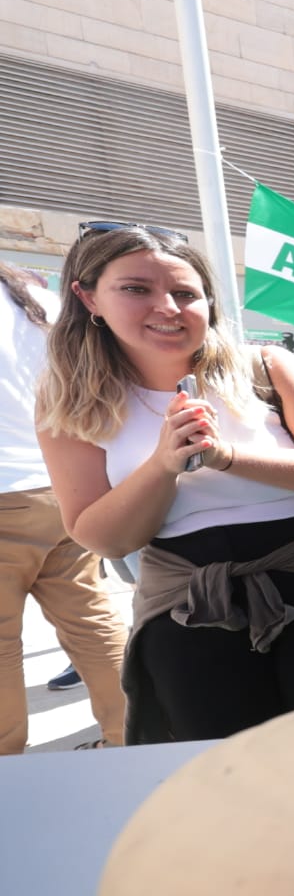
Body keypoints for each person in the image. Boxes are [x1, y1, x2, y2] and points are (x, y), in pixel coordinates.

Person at [36, 224, 294, 744]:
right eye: (136, 289)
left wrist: (226, 456)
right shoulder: (71, 405)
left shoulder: (267, 367)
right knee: (224, 765)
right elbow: (104, 537)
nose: (167, 307)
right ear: (88, 296)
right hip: (190, 606)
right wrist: (164, 463)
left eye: (185, 294)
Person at [2, 261, 126, 751]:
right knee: (92, 622)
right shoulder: (43, 307)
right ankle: (131, 737)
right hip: (60, 487)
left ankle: (8, 767)